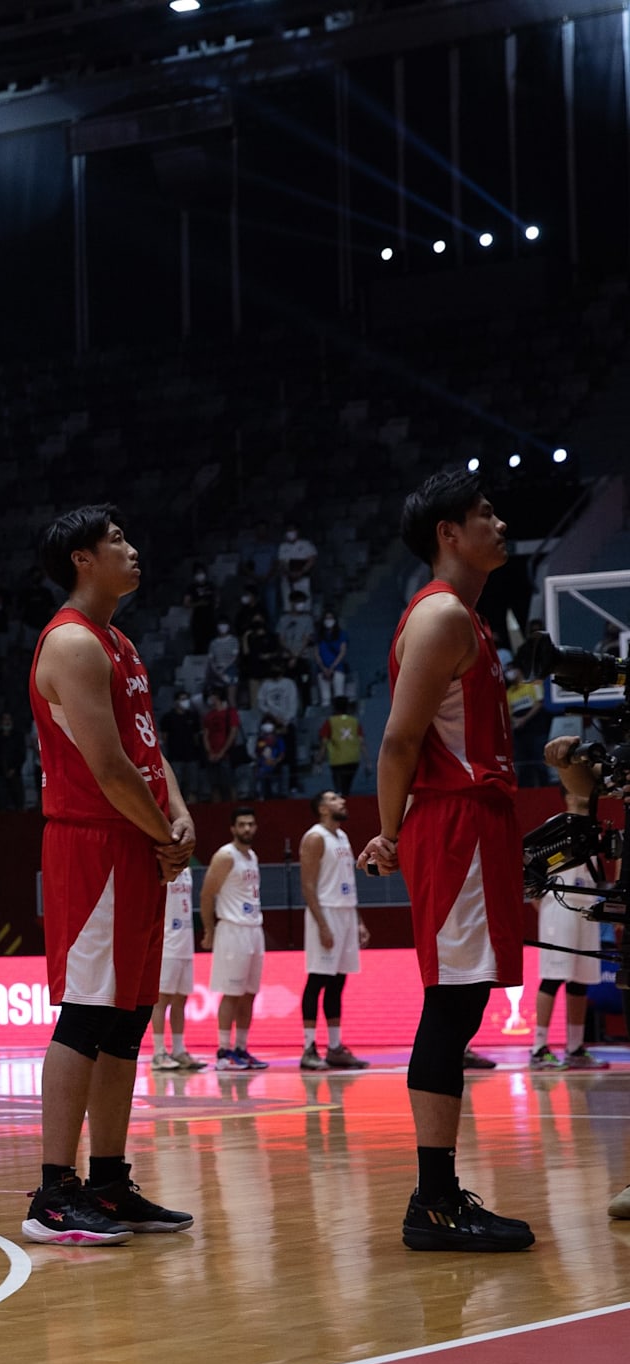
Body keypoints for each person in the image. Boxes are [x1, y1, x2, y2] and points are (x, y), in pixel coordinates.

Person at [358, 468, 536, 1253]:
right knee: (453, 1006)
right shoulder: (438, 619)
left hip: (476, 822)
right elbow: (397, 740)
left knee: (460, 1005)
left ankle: (437, 1196)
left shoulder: (467, 617)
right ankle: (432, 1201)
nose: (499, 522)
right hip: (454, 825)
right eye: (483, 513)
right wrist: (389, 832)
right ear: (447, 535)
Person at [21, 505, 195, 1247]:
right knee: (87, 1014)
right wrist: (165, 832)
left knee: (126, 1021)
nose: (133, 548)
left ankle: (109, 1181)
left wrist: (178, 817)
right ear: (82, 559)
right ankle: (51, 1195)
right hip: (95, 847)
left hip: (138, 844)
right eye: (117, 540)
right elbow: (108, 766)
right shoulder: (71, 643)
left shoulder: (119, 642)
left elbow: (150, 754)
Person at [528, 739, 607, 1072]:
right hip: (559, 908)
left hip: (586, 907)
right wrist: (545, 909)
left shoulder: (595, 831)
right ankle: (539, 1048)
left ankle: (575, 1048)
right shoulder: (556, 825)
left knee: (579, 980)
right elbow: (531, 874)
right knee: (553, 977)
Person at [299, 790, 369, 1071]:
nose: (342, 801)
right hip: (324, 913)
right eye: (334, 799)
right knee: (317, 981)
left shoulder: (342, 837)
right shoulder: (315, 837)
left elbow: (348, 882)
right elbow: (307, 885)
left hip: (345, 913)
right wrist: (323, 925)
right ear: (322, 808)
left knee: (338, 983)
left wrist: (358, 920)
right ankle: (307, 1049)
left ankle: (335, 1047)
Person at [201, 807, 269, 1071]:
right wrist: (209, 929)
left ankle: (241, 1048)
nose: (247, 829)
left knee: (249, 993)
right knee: (231, 993)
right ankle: (223, 1051)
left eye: (251, 824)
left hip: (254, 929)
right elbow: (207, 895)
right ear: (233, 828)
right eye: (242, 824)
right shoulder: (225, 855)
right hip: (232, 929)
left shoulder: (251, 855)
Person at [150, 868, 203, 1071]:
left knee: (181, 999)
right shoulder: (161, 867)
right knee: (161, 1000)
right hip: (167, 944)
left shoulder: (187, 870)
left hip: (185, 943)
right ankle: (158, 1052)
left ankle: (179, 1050)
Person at [320, 697, 364, 795]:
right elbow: (361, 742)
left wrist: (319, 758)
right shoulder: (354, 721)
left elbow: (324, 742)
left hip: (337, 761)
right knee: (346, 788)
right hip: (353, 759)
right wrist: (368, 761)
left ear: (334, 707)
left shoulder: (330, 721)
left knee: (339, 789)